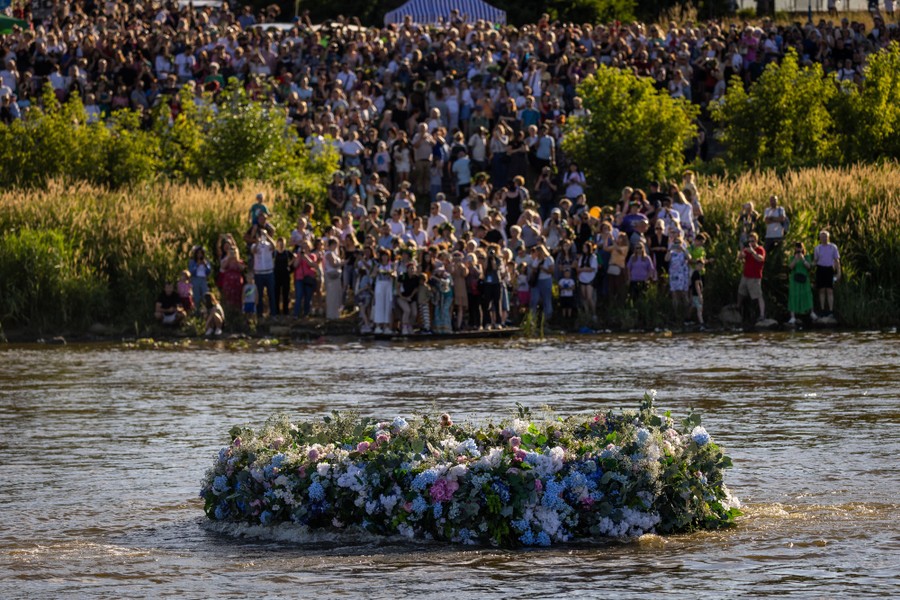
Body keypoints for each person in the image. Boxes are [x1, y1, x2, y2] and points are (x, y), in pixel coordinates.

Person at [738, 232, 767, 322]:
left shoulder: (760, 249)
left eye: (753, 241)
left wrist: (753, 252)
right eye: (749, 241)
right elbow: (740, 258)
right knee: (740, 292)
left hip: (755, 277)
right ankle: (738, 307)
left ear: (756, 241)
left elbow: (761, 259)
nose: (751, 243)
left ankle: (762, 314)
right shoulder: (747, 249)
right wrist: (742, 254)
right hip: (745, 276)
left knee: (758, 296)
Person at [814, 230, 841, 318]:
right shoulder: (817, 248)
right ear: (820, 238)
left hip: (829, 269)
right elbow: (815, 260)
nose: (824, 238)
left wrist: (838, 272)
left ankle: (830, 310)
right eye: (822, 237)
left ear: (828, 237)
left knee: (829, 290)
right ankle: (822, 309)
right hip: (820, 269)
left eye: (825, 236)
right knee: (821, 290)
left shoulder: (833, 247)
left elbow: (837, 260)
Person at [251, 227, 276, 317]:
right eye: (261, 234)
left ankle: (273, 313)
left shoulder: (268, 245)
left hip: (269, 272)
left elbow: (274, 246)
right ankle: (259, 313)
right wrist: (257, 240)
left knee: (271, 294)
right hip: (259, 273)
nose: (262, 236)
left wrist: (267, 236)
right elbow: (254, 251)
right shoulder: (254, 245)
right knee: (259, 295)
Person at [788, 242, 814, 325]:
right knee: (793, 296)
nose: (799, 249)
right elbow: (791, 267)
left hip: (804, 279)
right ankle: (792, 316)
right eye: (797, 248)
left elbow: (809, 267)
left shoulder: (807, 257)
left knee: (807, 295)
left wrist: (803, 260)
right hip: (795, 280)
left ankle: (811, 312)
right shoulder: (792, 257)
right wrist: (796, 259)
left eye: (800, 248)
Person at [292, 241, 318, 318]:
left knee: (308, 297)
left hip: (308, 278)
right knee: (299, 296)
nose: (305, 248)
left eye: (306, 246)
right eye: (303, 246)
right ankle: (296, 314)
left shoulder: (312, 256)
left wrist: (305, 256)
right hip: (299, 278)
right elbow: (295, 265)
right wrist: (299, 256)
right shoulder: (298, 256)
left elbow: (312, 264)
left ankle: (306, 313)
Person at [372, 249, 396, 334]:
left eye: (386, 256)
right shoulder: (378, 265)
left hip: (388, 285)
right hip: (380, 285)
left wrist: (390, 273)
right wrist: (378, 272)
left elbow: (395, 275)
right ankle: (378, 325)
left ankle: (386, 326)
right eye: (383, 256)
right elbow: (373, 275)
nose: (384, 257)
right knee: (379, 304)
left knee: (387, 305)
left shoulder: (391, 265)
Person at [529, 245, 555, 321]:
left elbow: (552, 271)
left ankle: (548, 318)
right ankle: (532, 318)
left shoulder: (549, 259)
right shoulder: (536, 260)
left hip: (546, 280)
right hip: (537, 281)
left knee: (546, 299)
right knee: (534, 299)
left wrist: (543, 268)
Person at [396, 261, 421, 334]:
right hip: (401, 297)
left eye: (413, 269)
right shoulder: (403, 276)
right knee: (407, 310)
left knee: (414, 313)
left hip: (411, 298)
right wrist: (403, 297)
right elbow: (397, 287)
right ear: (407, 269)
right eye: (410, 268)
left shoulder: (416, 278)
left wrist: (410, 296)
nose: (412, 270)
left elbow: (416, 289)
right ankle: (404, 327)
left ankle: (409, 326)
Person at [323, 238, 344, 320]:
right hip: (331, 277)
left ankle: (336, 314)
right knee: (331, 295)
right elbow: (333, 264)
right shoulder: (328, 253)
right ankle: (331, 314)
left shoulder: (334, 253)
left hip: (336, 276)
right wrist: (342, 263)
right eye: (334, 244)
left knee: (336, 295)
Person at [188, 246, 212, 315]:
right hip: (195, 279)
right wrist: (197, 265)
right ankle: (197, 310)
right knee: (196, 295)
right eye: (198, 253)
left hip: (203, 279)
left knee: (205, 294)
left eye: (201, 253)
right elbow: (191, 271)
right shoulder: (192, 261)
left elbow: (209, 271)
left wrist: (205, 265)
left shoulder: (205, 261)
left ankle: (207, 310)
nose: (199, 255)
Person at [274, 237, 293, 317]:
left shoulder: (287, 252)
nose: (281, 244)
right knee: (276, 294)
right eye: (279, 243)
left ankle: (286, 311)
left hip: (285, 275)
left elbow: (294, 258)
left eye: (282, 243)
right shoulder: (274, 253)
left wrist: (289, 266)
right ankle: (276, 311)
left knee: (286, 294)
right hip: (276, 275)